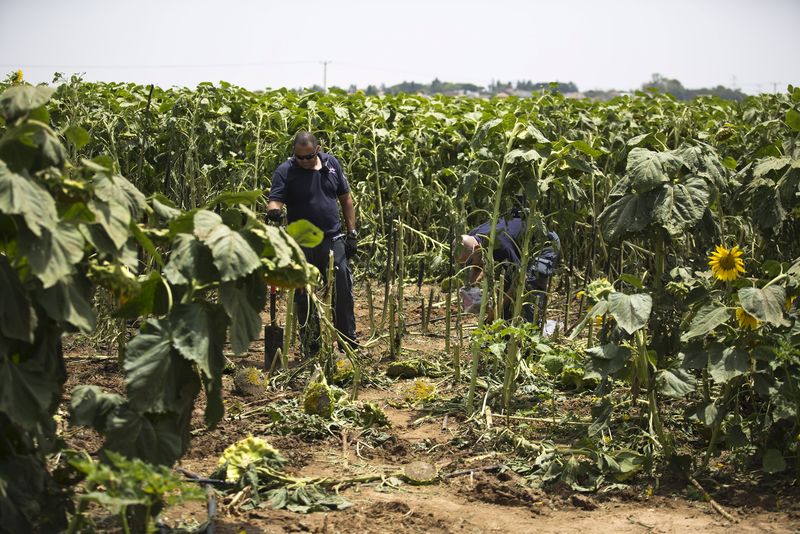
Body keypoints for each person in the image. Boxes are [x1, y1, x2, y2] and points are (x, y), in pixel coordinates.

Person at [267, 132, 358, 357]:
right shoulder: (285, 171)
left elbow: (345, 198)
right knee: (304, 294)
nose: (304, 162)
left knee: (342, 288)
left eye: (308, 157)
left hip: (332, 238)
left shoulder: (332, 164)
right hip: (302, 243)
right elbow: (275, 199)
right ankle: (311, 345)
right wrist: (274, 212)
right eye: (300, 157)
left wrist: (352, 232)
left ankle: (348, 342)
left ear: (318, 150)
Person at [454, 215, 560, 322]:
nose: (469, 267)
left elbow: (520, 279)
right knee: (507, 297)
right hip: (522, 248)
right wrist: (470, 287)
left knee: (530, 288)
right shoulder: (474, 237)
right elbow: (478, 263)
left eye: (469, 262)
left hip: (544, 244)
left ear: (477, 248)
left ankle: (532, 329)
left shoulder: (501, 246)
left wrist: (494, 314)